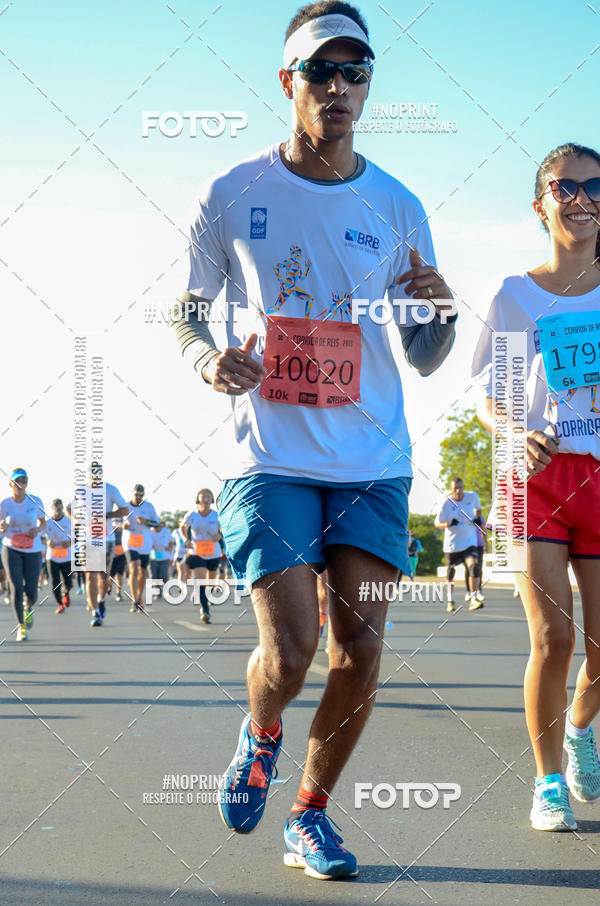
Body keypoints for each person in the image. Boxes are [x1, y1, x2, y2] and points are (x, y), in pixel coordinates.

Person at [171, 0, 456, 879]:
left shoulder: (399, 203)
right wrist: (205, 358)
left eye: (355, 72)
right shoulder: (231, 191)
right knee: (291, 652)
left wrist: (440, 310)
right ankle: (261, 736)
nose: (339, 87)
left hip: (372, 459)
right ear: (287, 81)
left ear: (368, 85)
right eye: (321, 71)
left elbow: (425, 352)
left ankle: (311, 813)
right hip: (271, 454)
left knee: (362, 647)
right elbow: (186, 308)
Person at [472, 142, 600, 832]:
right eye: (565, 186)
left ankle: (580, 729)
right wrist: (514, 432)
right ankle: (548, 782)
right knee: (552, 637)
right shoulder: (515, 296)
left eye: (594, 185)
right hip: (538, 477)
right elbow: (493, 395)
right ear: (541, 203)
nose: (580, 197)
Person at [78, 467, 129, 627]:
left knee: (103, 578)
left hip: (106, 539)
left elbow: (125, 510)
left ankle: (101, 600)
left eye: (98, 474)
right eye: (92, 474)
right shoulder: (81, 491)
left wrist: (106, 515)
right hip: (86, 540)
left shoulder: (111, 489)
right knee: (90, 576)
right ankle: (95, 612)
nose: (95, 477)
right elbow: (69, 509)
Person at [0, 468, 46, 641]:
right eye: (18, 481)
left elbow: (43, 523)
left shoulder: (35, 501)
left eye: (24, 480)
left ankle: (28, 607)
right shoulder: (4, 504)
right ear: (11, 483)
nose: (21, 484)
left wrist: (38, 529)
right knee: (16, 587)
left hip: (33, 549)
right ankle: (21, 626)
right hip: (11, 547)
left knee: (31, 592)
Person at [435, 478, 484, 612]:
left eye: (461, 487)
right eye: (455, 488)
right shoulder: (446, 503)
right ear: (451, 490)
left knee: (474, 567)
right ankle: (450, 600)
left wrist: (477, 519)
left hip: (469, 542)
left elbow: (478, 509)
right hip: (452, 545)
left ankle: (473, 599)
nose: (458, 490)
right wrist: (448, 524)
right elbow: (437, 523)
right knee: (450, 573)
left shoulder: (472, 496)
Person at [179, 490, 222, 624]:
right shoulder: (192, 515)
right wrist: (186, 539)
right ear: (198, 499)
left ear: (212, 499)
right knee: (201, 580)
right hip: (197, 551)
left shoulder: (216, 515)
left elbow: (224, 528)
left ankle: (205, 598)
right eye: (203, 496)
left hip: (214, 551)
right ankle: (205, 611)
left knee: (210, 583)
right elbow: (182, 527)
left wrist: (220, 535)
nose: (205, 499)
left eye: (208, 496)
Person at [123, 483, 160, 614]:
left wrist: (146, 522)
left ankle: (139, 597)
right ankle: (135, 600)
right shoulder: (125, 507)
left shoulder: (149, 507)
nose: (138, 497)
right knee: (134, 568)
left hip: (145, 542)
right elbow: (116, 523)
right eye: (136, 495)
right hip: (130, 541)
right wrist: (124, 525)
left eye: (141, 495)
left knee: (142, 572)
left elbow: (157, 524)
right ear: (132, 493)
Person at [44, 498, 72, 614]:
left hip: (66, 557)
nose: (58, 508)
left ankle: (66, 593)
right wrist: (47, 542)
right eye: (56, 506)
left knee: (68, 583)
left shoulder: (69, 521)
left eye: (60, 506)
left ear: (62, 508)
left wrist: (70, 542)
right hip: (52, 557)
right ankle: (60, 604)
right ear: (52, 508)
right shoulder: (47, 523)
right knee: (55, 582)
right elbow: (41, 538)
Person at [150, 520, 175, 598]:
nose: (156, 528)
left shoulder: (166, 531)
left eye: (157, 527)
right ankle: (157, 592)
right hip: (153, 556)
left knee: (163, 575)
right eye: (154, 527)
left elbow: (172, 541)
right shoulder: (150, 531)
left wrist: (170, 547)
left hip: (164, 556)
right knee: (154, 575)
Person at [107, 521, 127, 601]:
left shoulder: (124, 532)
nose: (117, 526)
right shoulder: (110, 533)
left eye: (119, 524)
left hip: (122, 555)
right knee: (111, 575)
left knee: (119, 574)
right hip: (112, 556)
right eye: (115, 525)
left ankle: (118, 593)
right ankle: (109, 586)